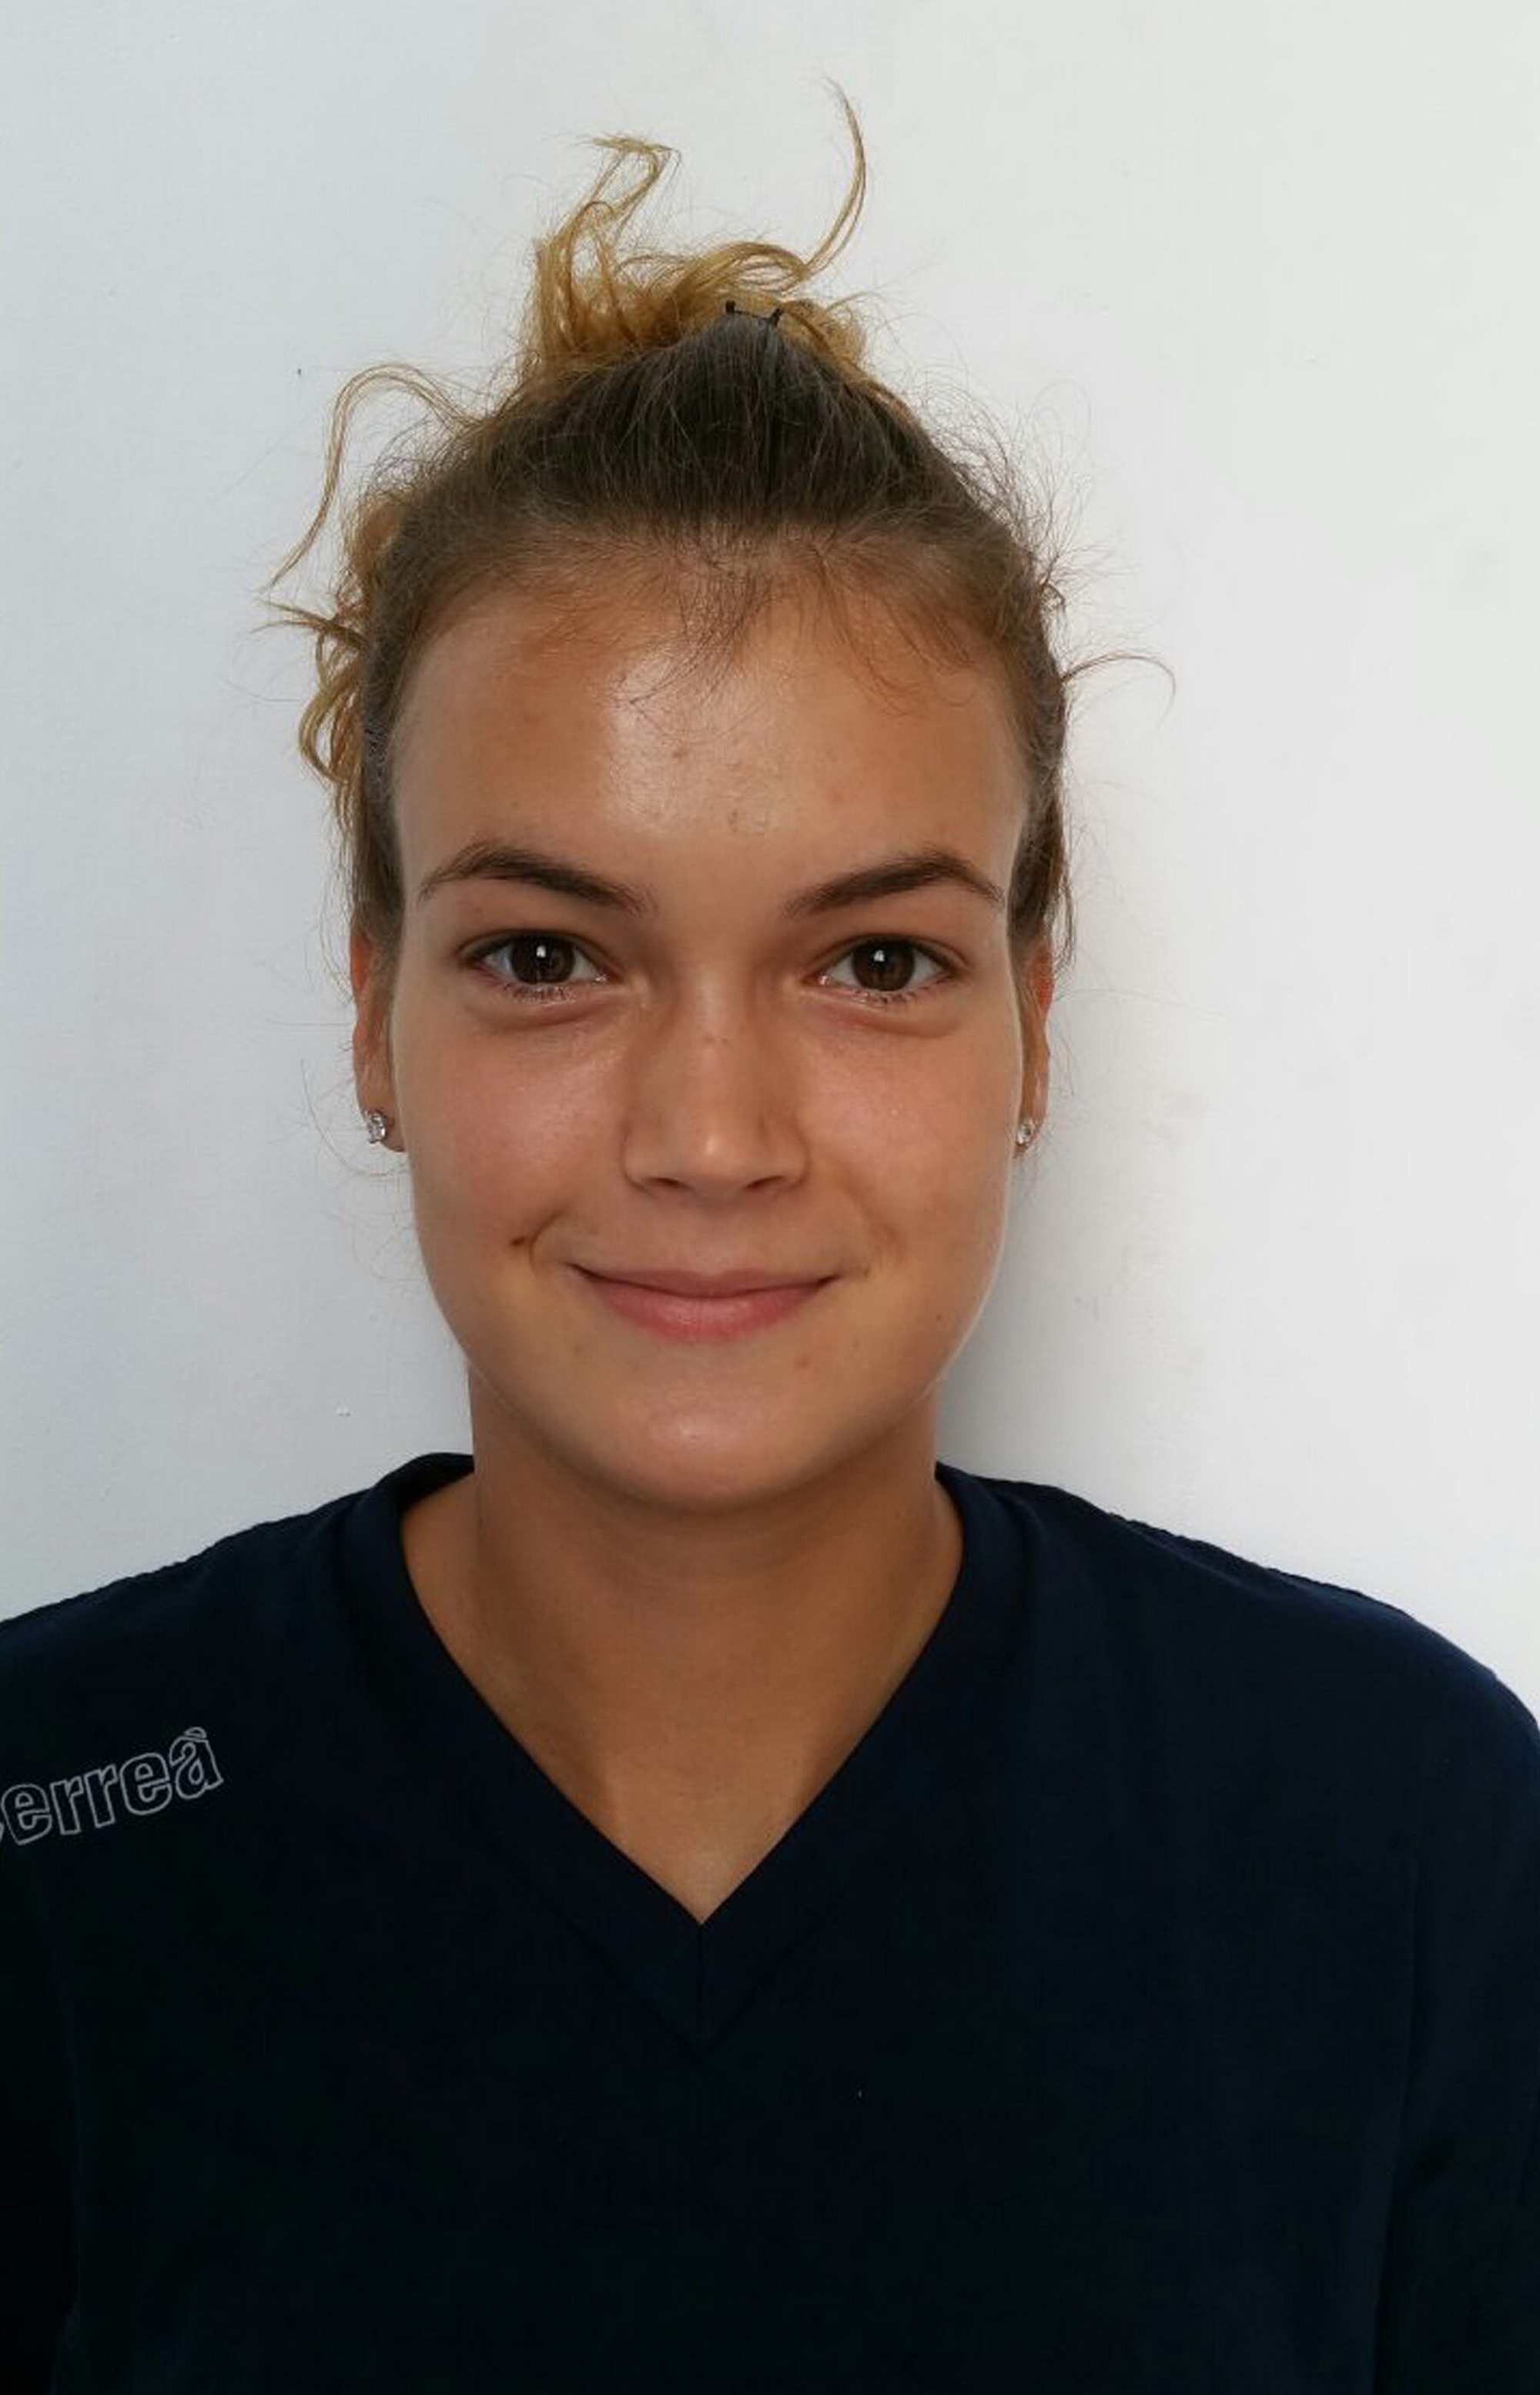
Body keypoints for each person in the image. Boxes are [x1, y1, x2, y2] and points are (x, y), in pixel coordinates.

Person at [2, 85, 1536, 2394]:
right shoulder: (56, 1825)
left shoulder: (1400, 1836)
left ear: (1034, 1020)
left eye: (876, 962)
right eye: (547, 956)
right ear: (374, 1007)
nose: (710, 1135)